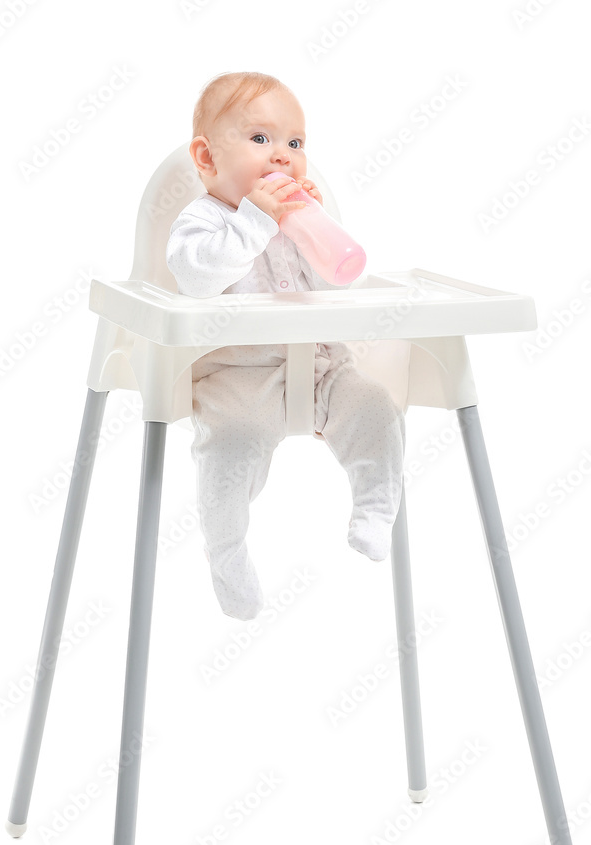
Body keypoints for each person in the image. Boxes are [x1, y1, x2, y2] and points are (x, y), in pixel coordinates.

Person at [166, 71, 406, 620]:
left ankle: (374, 505)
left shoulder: (300, 223)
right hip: (238, 377)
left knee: (374, 406)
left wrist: (317, 234)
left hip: (322, 365)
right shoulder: (203, 219)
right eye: (260, 140)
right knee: (229, 452)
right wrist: (256, 219)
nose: (283, 158)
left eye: (295, 144)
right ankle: (227, 555)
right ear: (206, 158)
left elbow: (335, 289)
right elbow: (196, 277)